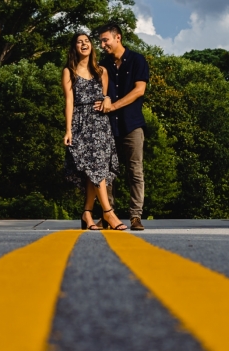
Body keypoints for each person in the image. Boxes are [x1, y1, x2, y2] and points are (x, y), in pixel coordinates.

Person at [62, 32, 128, 231]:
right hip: (81, 124)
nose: (84, 44)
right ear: (74, 48)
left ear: (91, 46)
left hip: (100, 125)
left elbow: (106, 96)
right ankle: (108, 213)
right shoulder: (69, 71)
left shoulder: (102, 71)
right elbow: (69, 101)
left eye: (87, 41)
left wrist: (108, 100)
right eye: (79, 42)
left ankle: (87, 213)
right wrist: (68, 130)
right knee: (93, 168)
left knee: (97, 168)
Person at [95, 23, 149, 231]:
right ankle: (109, 216)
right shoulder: (103, 64)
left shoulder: (137, 60)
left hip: (132, 124)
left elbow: (139, 90)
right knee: (107, 172)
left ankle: (135, 216)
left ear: (118, 38)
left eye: (105, 40)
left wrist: (114, 105)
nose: (102, 44)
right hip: (108, 126)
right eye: (100, 41)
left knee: (135, 171)